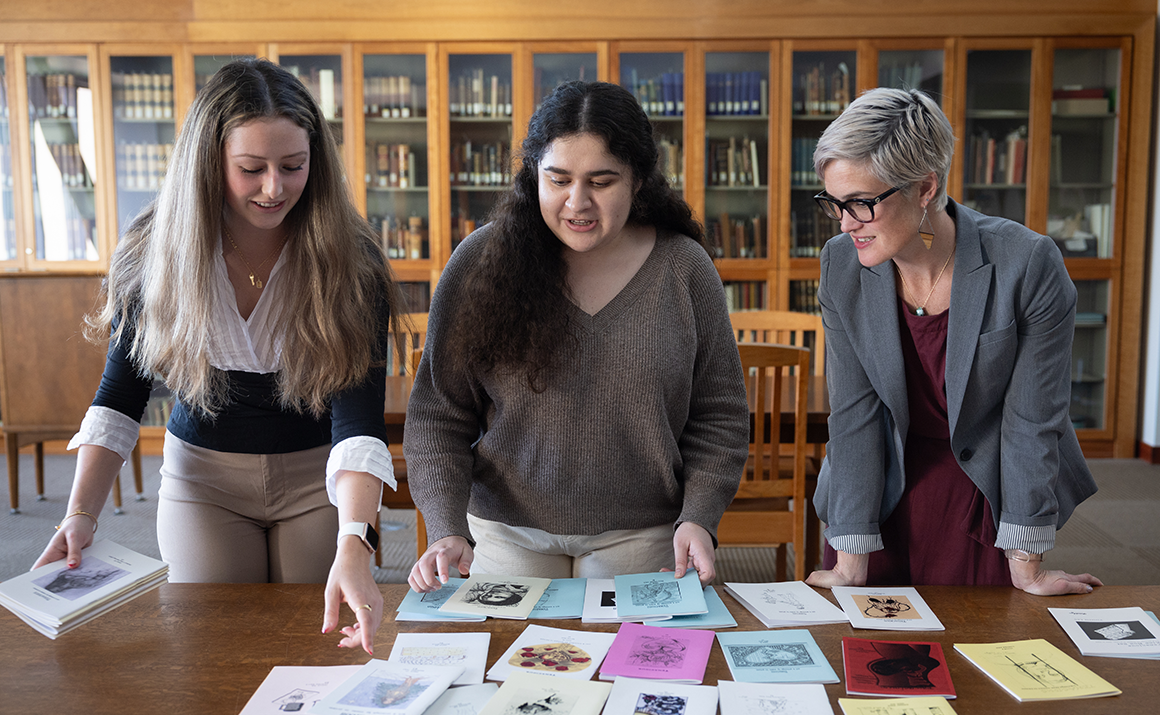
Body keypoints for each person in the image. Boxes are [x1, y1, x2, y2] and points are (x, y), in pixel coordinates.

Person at [32, 58, 407, 654]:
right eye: (250, 169)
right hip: (203, 479)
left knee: (310, 643)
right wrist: (79, 516)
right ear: (208, 164)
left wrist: (355, 541)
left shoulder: (350, 260)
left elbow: (357, 422)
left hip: (318, 479)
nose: (274, 188)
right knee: (213, 645)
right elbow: (120, 399)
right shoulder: (155, 252)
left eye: (293, 166)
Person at [404, 80, 748, 591]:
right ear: (533, 176)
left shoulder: (683, 267)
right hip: (505, 534)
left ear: (638, 180)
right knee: (510, 668)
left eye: (601, 181)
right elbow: (438, 413)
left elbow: (718, 412)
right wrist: (445, 527)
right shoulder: (479, 262)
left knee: (627, 670)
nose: (576, 202)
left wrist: (699, 515)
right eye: (558, 179)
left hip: (644, 533)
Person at [804, 87, 1101, 596]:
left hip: (985, 487)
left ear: (924, 188)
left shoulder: (1026, 265)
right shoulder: (840, 265)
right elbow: (855, 414)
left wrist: (1027, 561)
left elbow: (1032, 421)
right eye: (834, 203)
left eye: (861, 204)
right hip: (878, 485)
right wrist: (850, 556)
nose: (846, 223)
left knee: (978, 655)